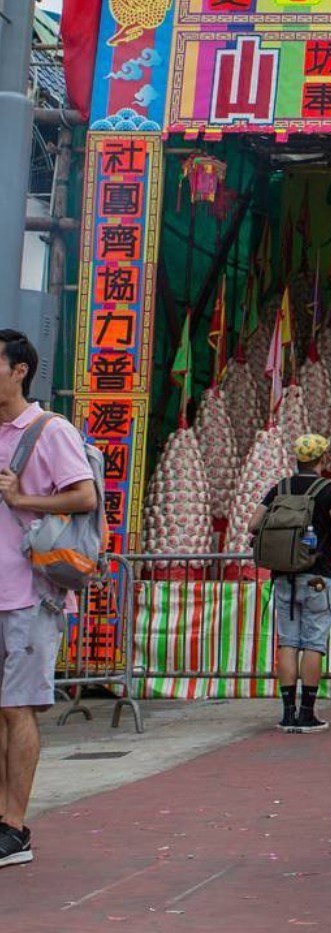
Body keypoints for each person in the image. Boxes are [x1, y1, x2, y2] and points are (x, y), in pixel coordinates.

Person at [0, 329, 99, 868]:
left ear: (20, 370)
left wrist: (22, 498)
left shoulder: (49, 430)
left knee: (17, 709)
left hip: (29, 593)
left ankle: (14, 827)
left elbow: (84, 494)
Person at [248, 434, 331, 734]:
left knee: (288, 642)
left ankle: (287, 714)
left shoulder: (282, 487)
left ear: (297, 459)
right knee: (314, 643)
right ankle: (307, 713)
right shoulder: (330, 489)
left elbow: (253, 525)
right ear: (322, 459)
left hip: (284, 577)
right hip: (318, 575)